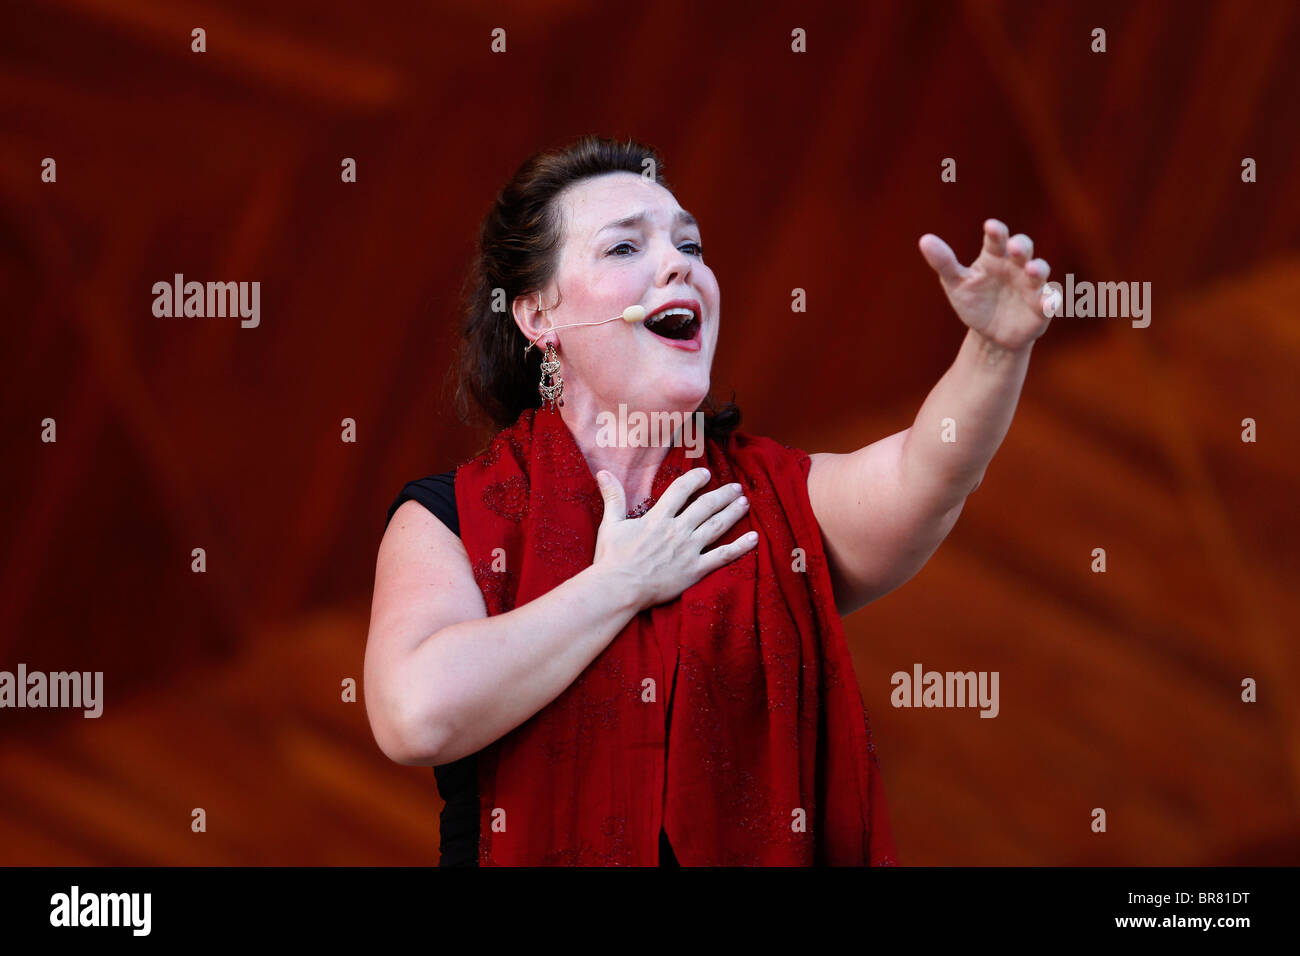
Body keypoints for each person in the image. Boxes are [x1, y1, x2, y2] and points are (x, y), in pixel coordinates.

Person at [363, 135, 1055, 866]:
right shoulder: (452, 516)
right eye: (624, 248)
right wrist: (619, 585)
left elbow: (929, 473)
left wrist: (995, 351)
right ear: (538, 318)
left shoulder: (771, 503)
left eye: (689, 245)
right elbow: (415, 717)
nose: (678, 265)